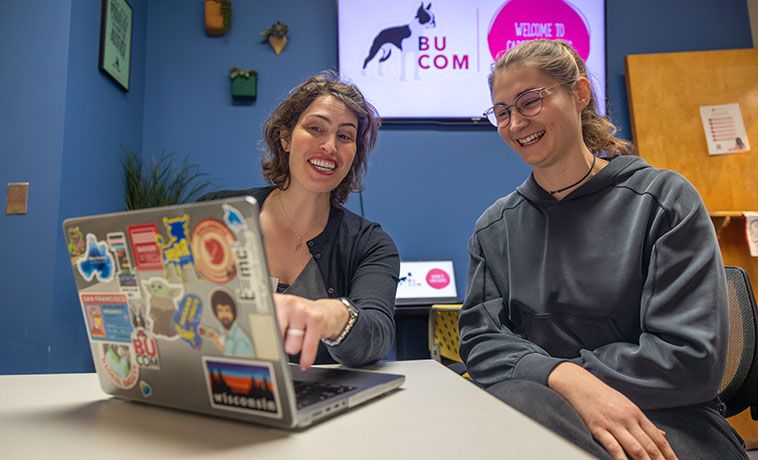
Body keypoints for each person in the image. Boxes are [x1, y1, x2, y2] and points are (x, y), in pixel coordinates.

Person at [460, 39, 747, 460]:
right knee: (509, 409)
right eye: (502, 112)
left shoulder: (663, 200)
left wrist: (567, 375)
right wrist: (566, 381)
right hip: (549, 407)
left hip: (669, 424)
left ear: (579, 94)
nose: (516, 123)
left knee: (518, 407)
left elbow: (691, 359)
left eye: (530, 101)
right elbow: (482, 342)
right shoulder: (494, 228)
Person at [201, 71, 398, 371]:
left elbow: (378, 334)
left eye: (344, 136)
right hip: (218, 393)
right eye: (316, 128)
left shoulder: (370, 244)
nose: (330, 146)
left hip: (324, 405)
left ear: (354, 153)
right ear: (285, 138)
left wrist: (332, 316)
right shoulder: (214, 215)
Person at [202, 289, 255, 358]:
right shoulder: (224, 331)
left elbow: (236, 365)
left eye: (227, 310)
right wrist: (215, 339)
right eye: (220, 310)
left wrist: (217, 343)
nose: (224, 315)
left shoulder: (240, 342)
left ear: (233, 313)